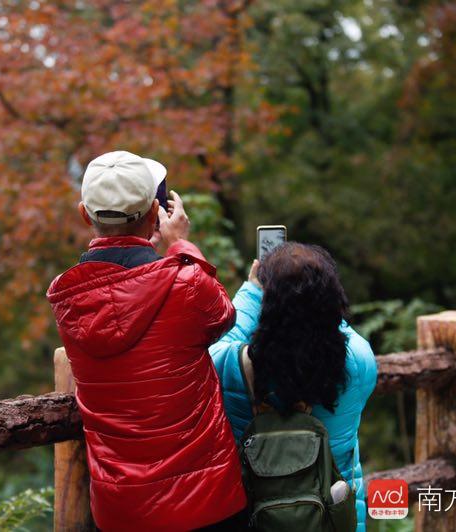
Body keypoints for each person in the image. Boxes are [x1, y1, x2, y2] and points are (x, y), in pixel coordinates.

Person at [47, 151, 246, 531]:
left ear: (85, 214)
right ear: (157, 212)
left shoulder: (67, 299)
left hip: (123, 512)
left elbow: (119, 285)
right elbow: (223, 314)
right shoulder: (185, 283)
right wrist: (180, 246)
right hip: (207, 502)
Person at [209, 242, 377, 532]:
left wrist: (252, 291)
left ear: (269, 306)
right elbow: (339, 331)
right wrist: (314, 294)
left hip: (256, 519)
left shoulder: (232, 365)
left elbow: (218, 341)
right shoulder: (359, 361)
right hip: (331, 520)